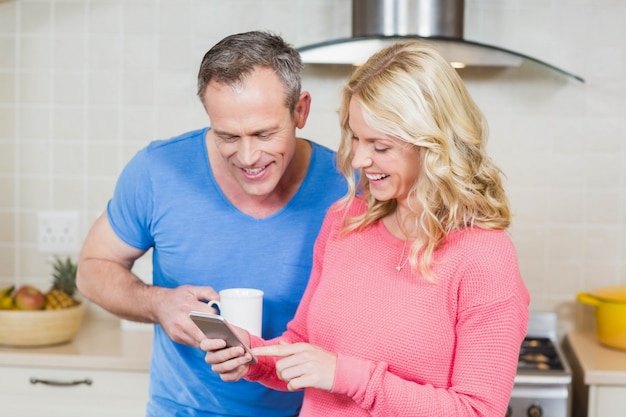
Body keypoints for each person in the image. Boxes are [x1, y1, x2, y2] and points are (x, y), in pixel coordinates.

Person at [201, 41, 530, 416]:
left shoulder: (483, 257)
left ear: (433, 146)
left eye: (380, 145)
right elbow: (305, 345)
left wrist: (349, 377)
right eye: (355, 137)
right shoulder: (346, 221)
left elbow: (477, 411)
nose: (358, 158)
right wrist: (254, 356)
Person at [76, 31, 347, 417]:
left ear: (300, 111)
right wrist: (159, 304)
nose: (249, 156)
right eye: (228, 136)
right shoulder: (158, 171)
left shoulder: (350, 186)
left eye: (264, 133)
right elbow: (91, 270)